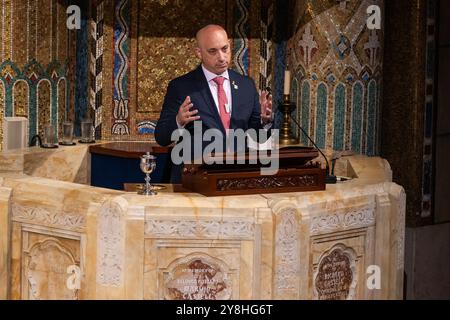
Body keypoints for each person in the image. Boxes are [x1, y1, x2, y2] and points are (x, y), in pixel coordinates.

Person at [155, 24, 273, 183]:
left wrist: (264, 121)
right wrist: (178, 121)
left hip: (237, 177)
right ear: (199, 53)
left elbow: (257, 138)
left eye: (225, 49)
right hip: (195, 178)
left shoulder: (246, 85)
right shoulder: (181, 86)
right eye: (213, 51)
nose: (222, 57)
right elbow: (162, 137)